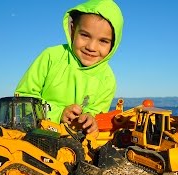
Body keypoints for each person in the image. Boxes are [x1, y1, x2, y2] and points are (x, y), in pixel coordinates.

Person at [15, 0, 123, 136]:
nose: (91, 47)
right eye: (85, 35)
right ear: (72, 30)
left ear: (113, 45)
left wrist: (90, 120)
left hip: (72, 144)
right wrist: (58, 114)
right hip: (35, 136)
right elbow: (22, 100)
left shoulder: (108, 79)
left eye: (103, 41)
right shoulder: (51, 56)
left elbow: (96, 114)